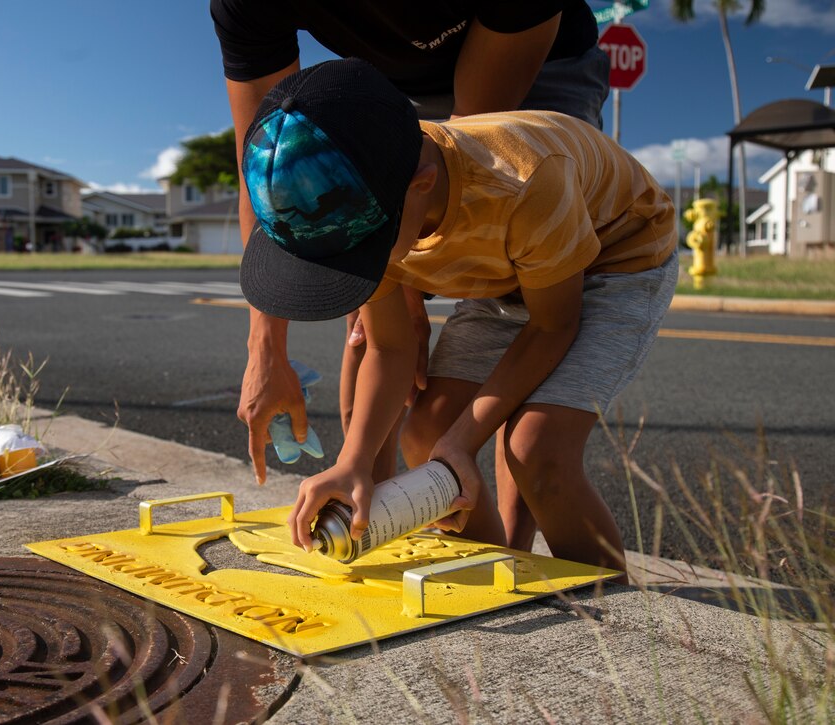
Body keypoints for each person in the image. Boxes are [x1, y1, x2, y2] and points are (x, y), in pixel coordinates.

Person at [237, 59, 677, 576]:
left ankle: (607, 611)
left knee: (536, 450)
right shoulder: (369, 204)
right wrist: (354, 461)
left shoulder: (525, 181)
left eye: (361, 256)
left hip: (614, 260)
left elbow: (552, 325)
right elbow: (389, 348)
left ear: (422, 184)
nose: (358, 269)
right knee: (426, 435)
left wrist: (465, 441)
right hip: (512, 269)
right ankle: (501, 581)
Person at [211, 0, 611, 488]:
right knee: (367, 313)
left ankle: (521, 537)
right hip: (389, 93)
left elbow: (470, 140)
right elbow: (267, 171)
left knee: (525, 299)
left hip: (537, 62)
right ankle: (363, 503)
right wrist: (265, 350)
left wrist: (409, 262)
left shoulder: (535, 170)